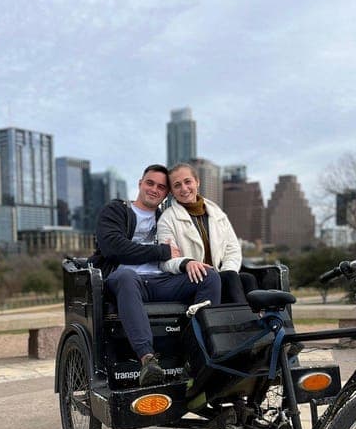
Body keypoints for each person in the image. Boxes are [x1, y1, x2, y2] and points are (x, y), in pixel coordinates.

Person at [89, 164, 221, 386]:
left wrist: (189, 263)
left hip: (162, 281)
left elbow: (183, 252)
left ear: (166, 193)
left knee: (209, 276)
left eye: (161, 187)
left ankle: (199, 354)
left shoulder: (168, 218)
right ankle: (148, 359)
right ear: (140, 184)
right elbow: (114, 248)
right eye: (150, 183)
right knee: (127, 276)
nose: (154, 189)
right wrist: (161, 251)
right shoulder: (117, 210)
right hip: (123, 281)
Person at [158, 163, 254, 304]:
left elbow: (233, 249)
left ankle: (262, 320)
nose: (184, 188)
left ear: (197, 182)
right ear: (172, 191)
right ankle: (245, 323)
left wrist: (227, 271)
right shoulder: (167, 219)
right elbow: (165, 261)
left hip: (217, 275)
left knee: (247, 279)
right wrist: (186, 263)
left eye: (188, 182)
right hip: (189, 278)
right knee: (231, 279)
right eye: (177, 185)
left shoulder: (217, 214)